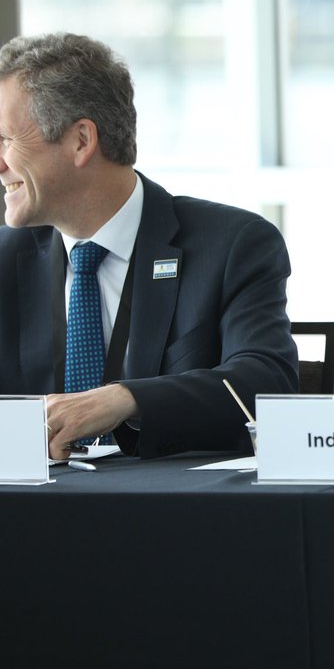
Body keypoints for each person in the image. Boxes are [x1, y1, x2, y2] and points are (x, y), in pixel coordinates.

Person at [0, 32, 297, 459]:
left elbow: (266, 381)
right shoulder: (5, 260)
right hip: (28, 519)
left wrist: (124, 399)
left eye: (7, 139)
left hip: (176, 517)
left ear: (81, 141)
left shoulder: (231, 244)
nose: (1, 162)